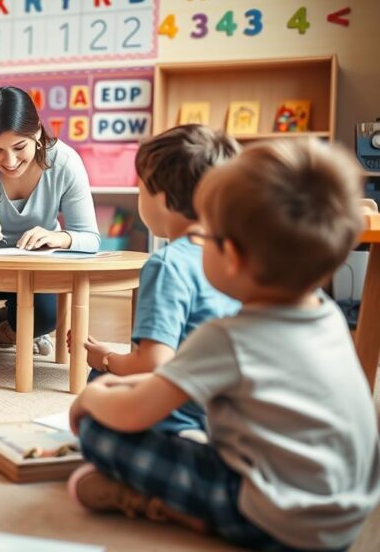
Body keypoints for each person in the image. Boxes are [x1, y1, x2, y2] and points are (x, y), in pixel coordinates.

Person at [67, 139, 380, 551]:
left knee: (97, 432)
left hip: (277, 524)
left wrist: (90, 399)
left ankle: (183, 512)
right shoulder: (329, 315)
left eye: (204, 235)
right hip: (346, 521)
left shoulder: (229, 337)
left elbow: (132, 411)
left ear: (230, 255)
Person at [78, 125, 241, 436]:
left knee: (96, 387)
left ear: (163, 201)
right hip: (231, 413)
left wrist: (107, 359)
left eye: (141, 189)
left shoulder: (167, 263)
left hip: (182, 414)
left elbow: (153, 365)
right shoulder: (235, 256)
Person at [0, 86, 100, 360]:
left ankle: (1, 326)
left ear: (37, 131)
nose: (10, 161)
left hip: (36, 270)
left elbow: (90, 238)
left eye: (19, 147)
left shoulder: (65, 162)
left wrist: (58, 238)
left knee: (42, 319)